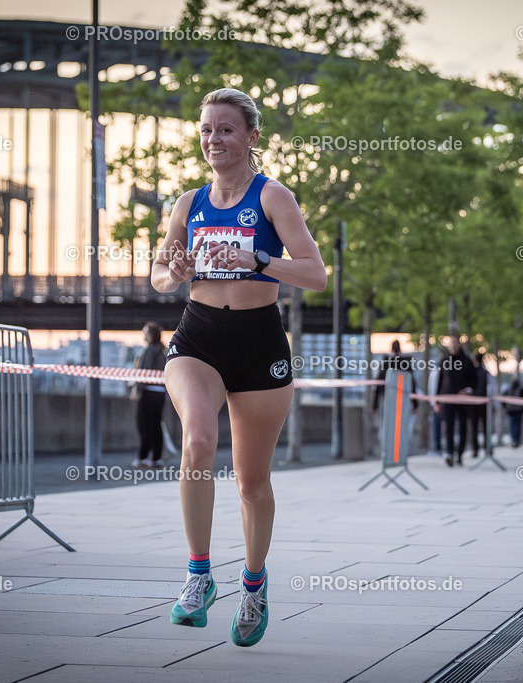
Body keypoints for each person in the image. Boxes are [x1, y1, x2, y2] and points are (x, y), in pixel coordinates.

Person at [151, 87, 326, 648]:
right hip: (198, 335)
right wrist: (173, 270)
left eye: (226, 129)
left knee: (251, 484)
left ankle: (253, 583)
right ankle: (199, 575)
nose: (213, 139)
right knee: (198, 441)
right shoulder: (186, 203)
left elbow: (316, 274)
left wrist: (260, 260)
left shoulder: (274, 197)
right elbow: (157, 275)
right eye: (206, 129)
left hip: (259, 342)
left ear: (251, 138)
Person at [131, 321, 168, 469]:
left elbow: (143, 372)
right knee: (156, 426)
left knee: (143, 426)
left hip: (148, 393)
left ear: (150, 335)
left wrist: (137, 391)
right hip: (160, 393)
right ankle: (157, 458)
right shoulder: (162, 351)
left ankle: (142, 457)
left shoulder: (148, 350)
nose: (143, 335)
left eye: (145, 332)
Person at [437, 333, 475, 467]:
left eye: (455, 343)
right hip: (447, 398)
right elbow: (440, 381)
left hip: (463, 400)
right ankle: (449, 453)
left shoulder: (467, 361)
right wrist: (437, 400)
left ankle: (459, 454)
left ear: (459, 344)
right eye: (450, 343)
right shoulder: (444, 361)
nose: (452, 345)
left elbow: (473, 381)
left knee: (463, 427)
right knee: (449, 427)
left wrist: (468, 390)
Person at [503, 377, 523, 448]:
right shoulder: (521, 389)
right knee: (517, 426)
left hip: (510, 410)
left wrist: (505, 407)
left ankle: (514, 440)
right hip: (518, 410)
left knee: (512, 425)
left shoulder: (508, 389)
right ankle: (516, 440)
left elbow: (503, 399)